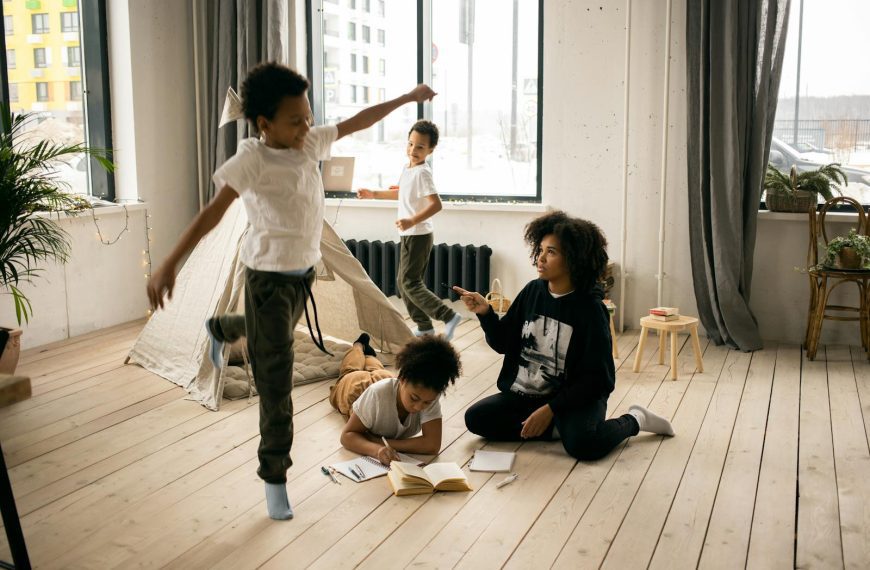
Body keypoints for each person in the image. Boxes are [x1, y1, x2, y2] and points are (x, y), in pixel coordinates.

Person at [145, 61, 436, 520]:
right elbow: (212, 213)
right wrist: (169, 263)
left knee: (271, 335)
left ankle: (227, 328)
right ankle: (275, 473)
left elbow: (360, 120)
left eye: (308, 115)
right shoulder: (252, 159)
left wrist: (405, 98)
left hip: (302, 276)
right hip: (265, 281)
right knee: (276, 383)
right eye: (295, 120)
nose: (307, 126)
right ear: (264, 124)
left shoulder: (311, 140)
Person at [454, 210, 674, 461]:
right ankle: (556, 428)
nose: (540, 258)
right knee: (476, 419)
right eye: (541, 249)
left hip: (573, 400)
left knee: (584, 445)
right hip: (526, 397)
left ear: (574, 259)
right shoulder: (532, 291)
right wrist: (486, 313)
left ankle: (635, 419)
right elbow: (503, 343)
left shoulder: (590, 310)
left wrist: (552, 409)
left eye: (552, 252)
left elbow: (599, 380)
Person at [356, 120, 462, 340]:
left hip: (418, 235)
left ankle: (449, 315)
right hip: (409, 234)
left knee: (410, 283)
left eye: (420, 147)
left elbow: (436, 204)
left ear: (431, 150)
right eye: (411, 144)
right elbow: (401, 193)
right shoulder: (409, 168)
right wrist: (373, 193)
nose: (413, 150)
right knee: (403, 284)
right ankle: (424, 327)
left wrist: (411, 221)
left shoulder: (423, 172)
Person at [339, 335, 462, 465]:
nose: (419, 407)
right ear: (402, 380)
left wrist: (382, 442)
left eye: (427, 402)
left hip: (385, 380)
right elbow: (347, 435)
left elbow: (432, 445)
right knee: (351, 370)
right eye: (414, 398)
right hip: (355, 389)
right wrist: (377, 450)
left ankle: (369, 355)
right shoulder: (376, 394)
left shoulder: (427, 394)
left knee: (377, 371)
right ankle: (358, 346)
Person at [328, 333, 394, 416]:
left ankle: (361, 348)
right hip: (360, 388)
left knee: (372, 370)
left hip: (380, 382)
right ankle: (366, 353)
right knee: (351, 371)